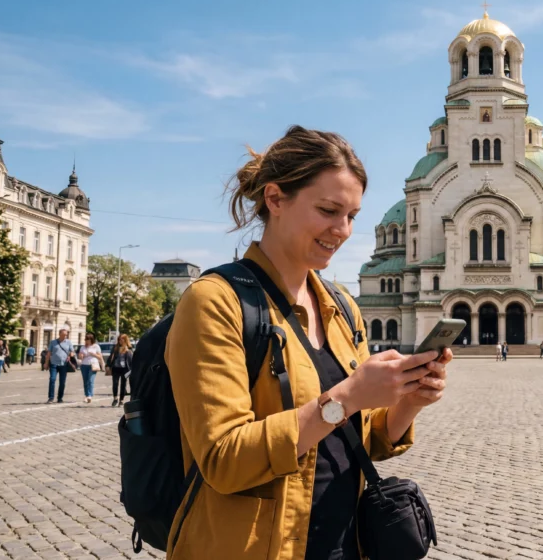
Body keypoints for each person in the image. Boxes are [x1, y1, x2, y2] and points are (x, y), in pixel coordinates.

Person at [164, 125, 451, 559]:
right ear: (276, 199)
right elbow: (224, 459)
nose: (343, 230)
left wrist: (408, 399)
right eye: (328, 210)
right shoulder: (215, 302)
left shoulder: (340, 306)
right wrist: (350, 394)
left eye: (352, 216)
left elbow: (362, 438)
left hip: (346, 546)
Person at [47, 329, 74, 403]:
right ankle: (51, 397)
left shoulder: (68, 342)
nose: (65, 336)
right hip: (54, 364)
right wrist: (46, 363)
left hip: (64, 364)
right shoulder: (53, 342)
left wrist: (70, 355)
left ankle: (60, 398)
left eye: (66, 335)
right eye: (64, 334)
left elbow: (72, 351)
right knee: (52, 379)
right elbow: (49, 353)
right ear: (59, 334)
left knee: (62, 382)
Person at [77, 333, 103, 403]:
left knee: (90, 380)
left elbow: (100, 357)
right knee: (85, 381)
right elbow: (80, 357)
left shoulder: (96, 346)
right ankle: (86, 395)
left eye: (87, 339)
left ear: (91, 339)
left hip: (93, 365)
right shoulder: (83, 347)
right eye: (85, 339)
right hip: (84, 365)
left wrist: (93, 354)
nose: (86, 341)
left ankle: (90, 395)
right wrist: (81, 355)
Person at [108, 334, 132, 407]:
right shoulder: (115, 348)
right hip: (116, 368)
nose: (120, 341)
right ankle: (115, 398)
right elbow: (111, 357)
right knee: (115, 384)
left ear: (125, 340)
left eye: (122, 339)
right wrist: (108, 365)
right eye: (119, 339)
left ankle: (121, 400)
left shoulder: (128, 348)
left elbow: (131, 359)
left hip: (125, 368)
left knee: (123, 385)